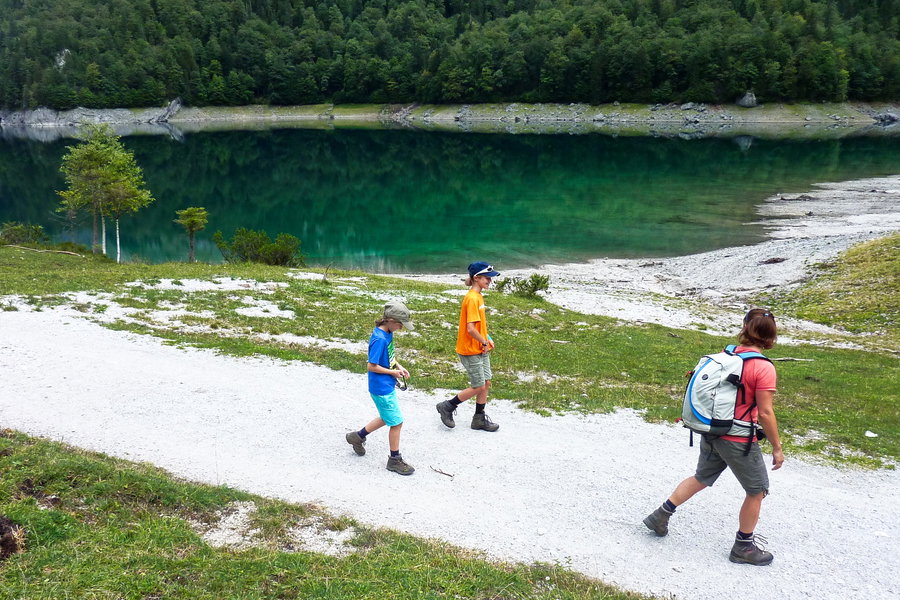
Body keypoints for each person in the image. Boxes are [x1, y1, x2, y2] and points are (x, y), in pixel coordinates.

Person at [642, 308, 784, 565]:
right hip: (739, 439)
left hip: (713, 430)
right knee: (757, 491)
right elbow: (765, 412)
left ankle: (660, 515)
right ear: (772, 335)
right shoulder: (763, 367)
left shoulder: (727, 356)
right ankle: (743, 547)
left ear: (745, 327)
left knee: (701, 477)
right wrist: (777, 447)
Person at [345, 302, 415, 475]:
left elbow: (389, 356)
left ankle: (357, 437)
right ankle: (394, 460)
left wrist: (398, 366)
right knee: (396, 422)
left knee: (386, 417)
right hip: (381, 388)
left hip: (386, 384)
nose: (401, 327)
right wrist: (392, 372)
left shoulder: (387, 333)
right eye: (400, 324)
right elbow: (371, 366)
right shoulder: (379, 339)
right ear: (390, 320)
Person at [436, 261, 501, 432]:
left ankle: (479, 418)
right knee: (478, 385)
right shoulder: (472, 298)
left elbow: (479, 325)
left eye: (491, 278)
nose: (490, 281)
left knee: (486, 382)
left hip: (480, 347)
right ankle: (447, 406)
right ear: (476, 278)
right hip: (471, 349)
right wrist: (484, 341)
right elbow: (471, 329)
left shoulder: (478, 296)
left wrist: (487, 337)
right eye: (487, 278)